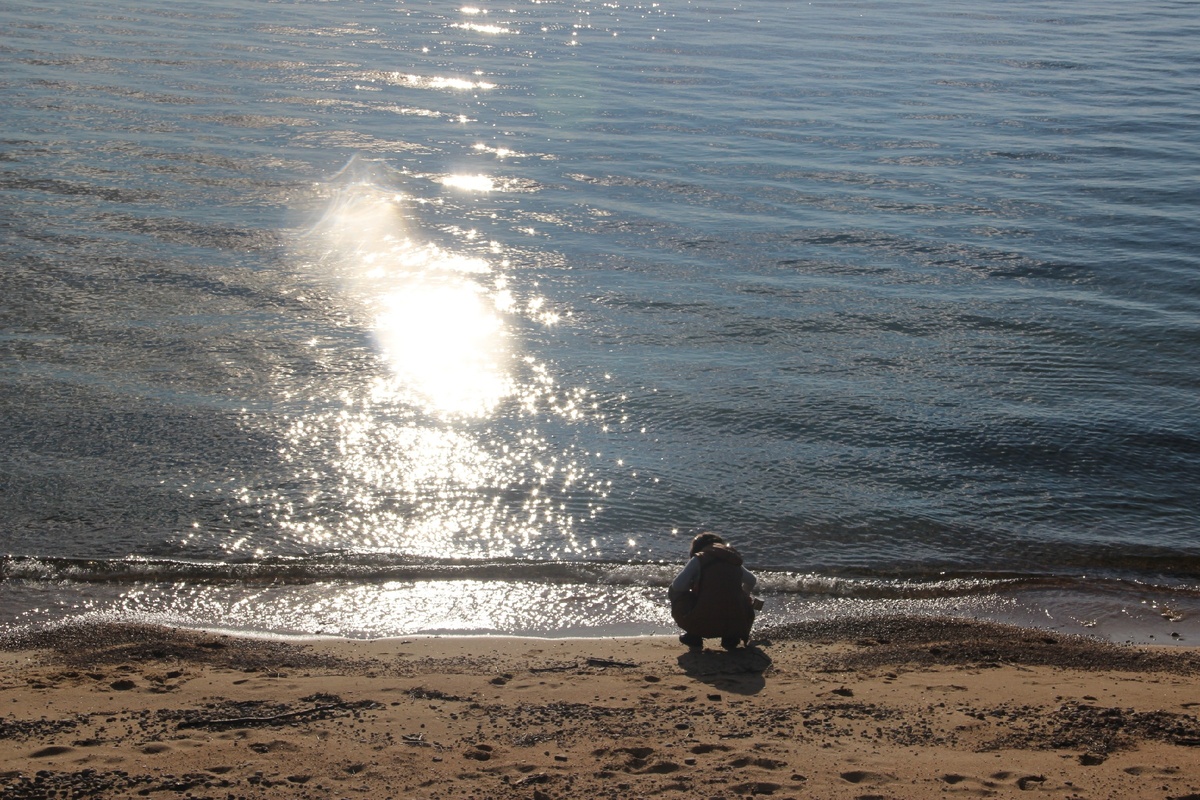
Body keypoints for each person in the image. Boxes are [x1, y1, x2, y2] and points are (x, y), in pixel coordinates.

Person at [668, 532, 757, 650]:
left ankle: (694, 635)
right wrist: (744, 595)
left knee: (673, 590)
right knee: (738, 597)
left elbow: (678, 586)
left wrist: (692, 588)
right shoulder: (732, 559)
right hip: (733, 622)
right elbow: (751, 580)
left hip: (704, 622)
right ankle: (730, 638)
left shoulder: (699, 559)